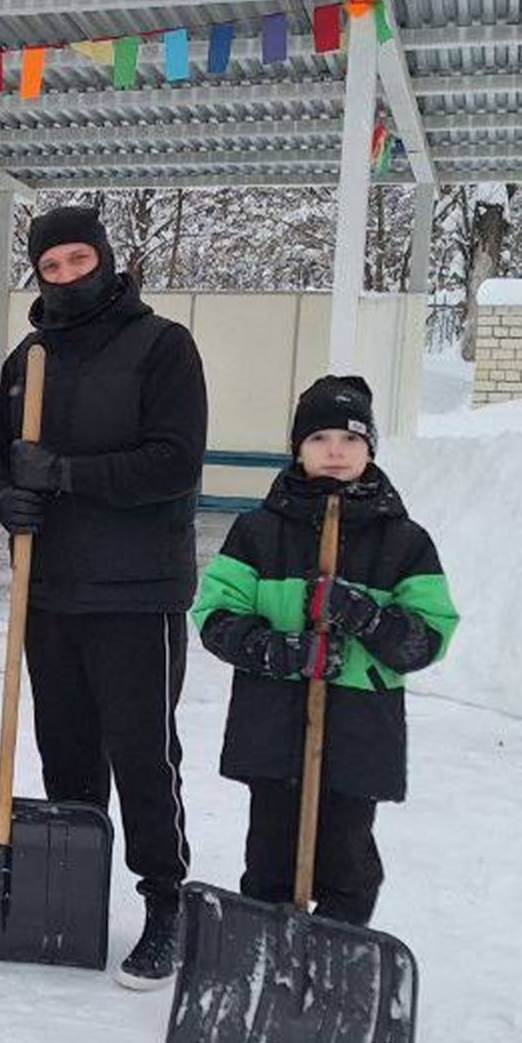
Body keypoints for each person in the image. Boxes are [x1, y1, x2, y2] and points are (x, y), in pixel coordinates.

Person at [0, 205, 208, 989]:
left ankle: (165, 901)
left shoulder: (162, 346)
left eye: (79, 259)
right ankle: (76, 889)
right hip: (49, 589)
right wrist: (5, 498)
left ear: (105, 259)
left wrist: (68, 476)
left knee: (142, 754)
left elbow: (174, 463)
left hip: (137, 591)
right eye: (52, 266)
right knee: (65, 750)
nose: (67, 275)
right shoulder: (29, 357)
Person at [190, 375, 458, 927]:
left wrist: (368, 618)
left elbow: (428, 638)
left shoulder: (404, 542)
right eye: (319, 439)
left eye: (350, 439)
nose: (335, 450)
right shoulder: (258, 533)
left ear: (370, 449)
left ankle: (335, 953)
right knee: (269, 860)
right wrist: (278, 650)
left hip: (360, 730)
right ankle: (266, 951)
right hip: (273, 726)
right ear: (298, 449)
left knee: (348, 863)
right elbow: (214, 618)